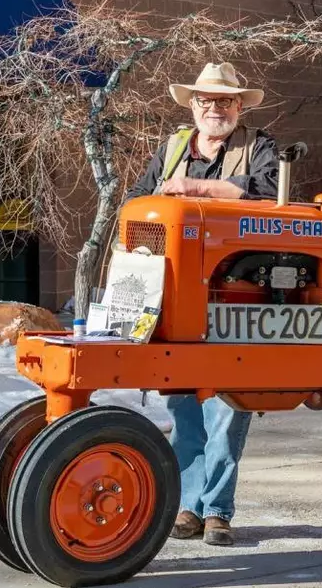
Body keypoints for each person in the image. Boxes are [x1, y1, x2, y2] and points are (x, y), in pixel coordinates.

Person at [126, 61, 279, 546]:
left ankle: (217, 510)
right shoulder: (171, 149)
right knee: (185, 407)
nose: (216, 108)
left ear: (239, 106)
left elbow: (270, 194)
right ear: (193, 105)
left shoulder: (260, 148)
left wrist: (196, 189)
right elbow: (136, 202)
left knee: (228, 407)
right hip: (175, 297)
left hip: (238, 295)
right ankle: (187, 506)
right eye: (207, 100)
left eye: (226, 101)